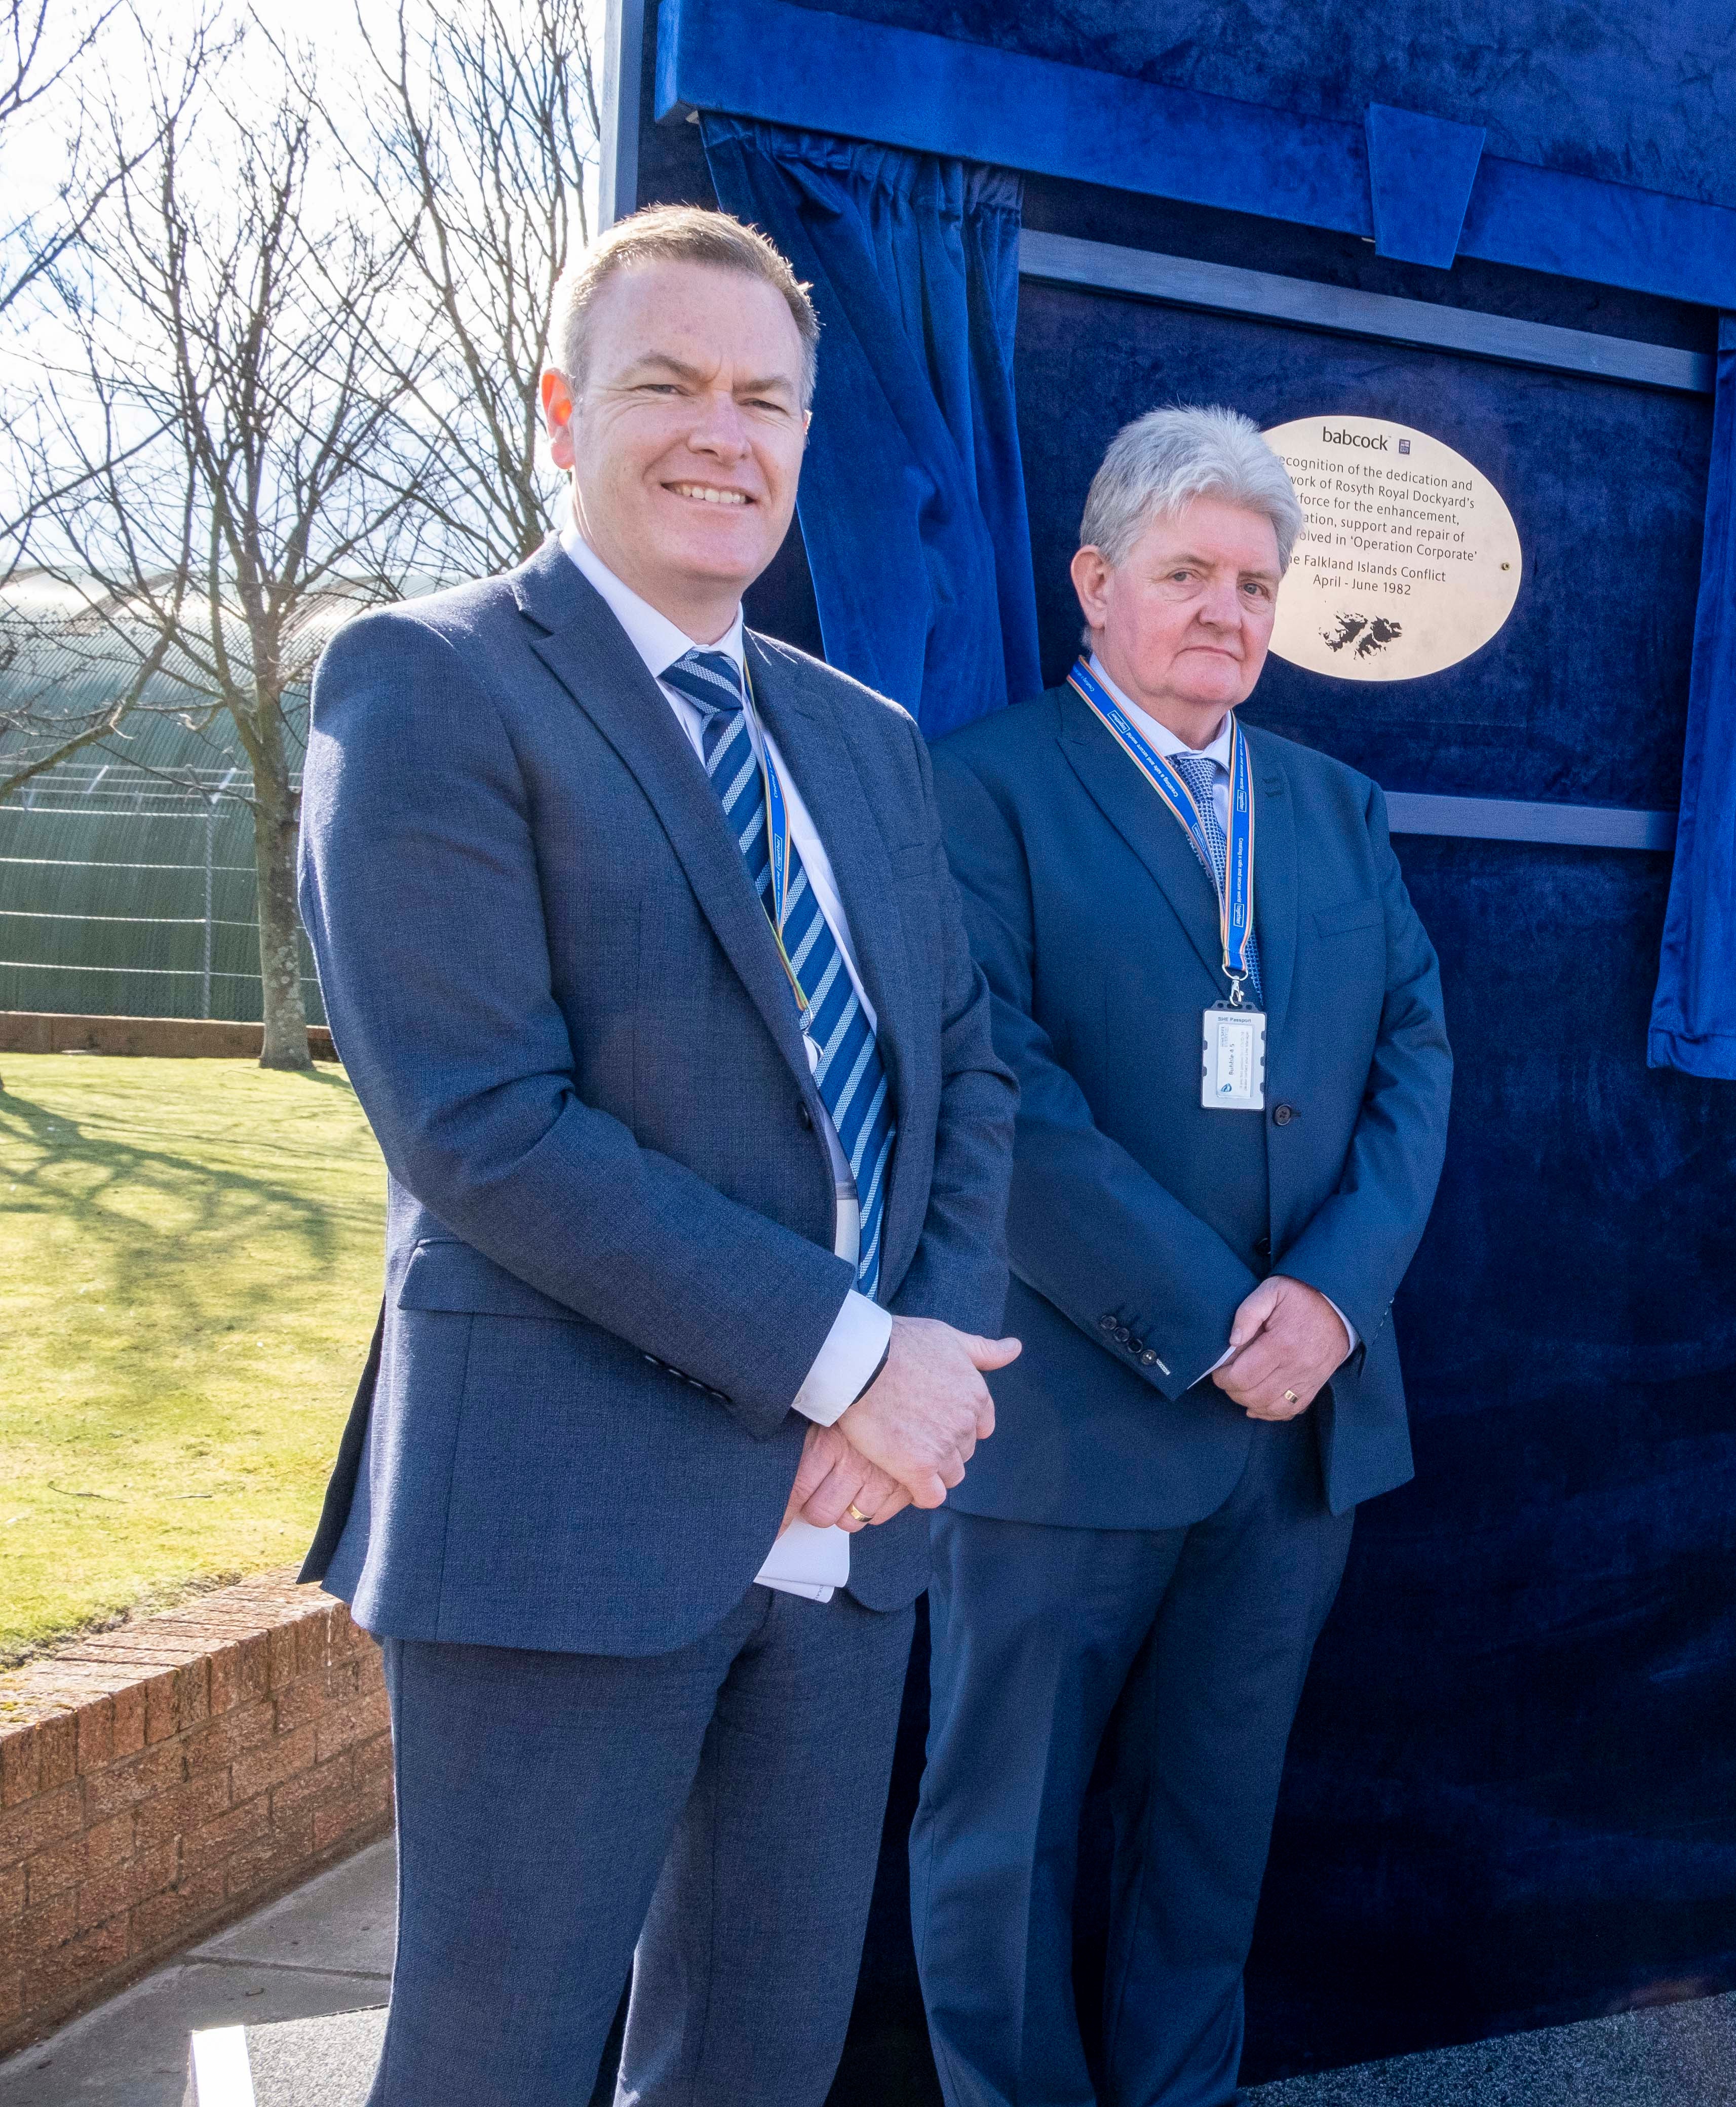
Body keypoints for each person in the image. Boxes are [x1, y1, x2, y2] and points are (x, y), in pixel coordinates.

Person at [294, 205, 1021, 2105]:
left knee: (757, 2063)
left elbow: (961, 1072)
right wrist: (858, 1359)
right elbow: (483, 1124)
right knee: (494, 2059)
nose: (725, 432)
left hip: (849, 1521)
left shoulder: (864, 739)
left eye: (765, 396)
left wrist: (903, 1393)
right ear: (561, 410)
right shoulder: (430, 681)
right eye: (668, 384)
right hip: (566, 1513)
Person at [914, 405, 1453, 2107]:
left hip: (1298, 1432)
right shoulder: (979, 788)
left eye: (1254, 582)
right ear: (1094, 581)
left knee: (1209, 1847)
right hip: (1068, 1424)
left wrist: (1335, 1304)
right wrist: (1220, 1318)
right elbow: (992, 1085)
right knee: (1003, 1850)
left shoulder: (1336, 807)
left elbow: (1416, 1061)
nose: (1227, 610)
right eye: (1187, 573)